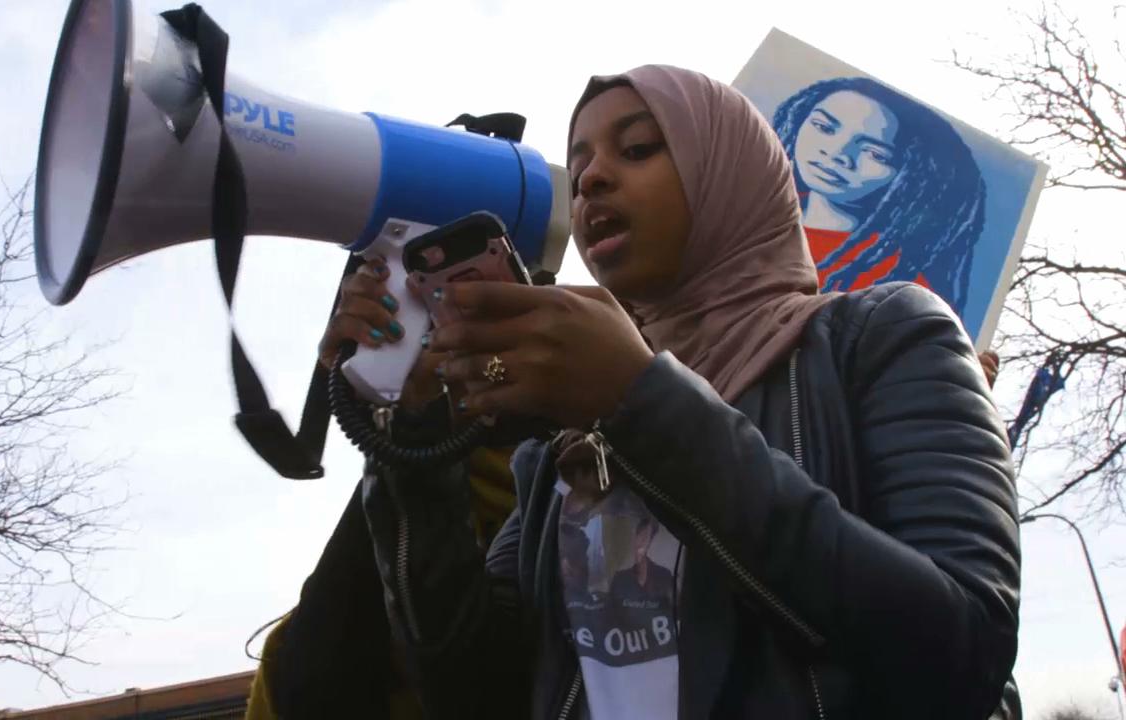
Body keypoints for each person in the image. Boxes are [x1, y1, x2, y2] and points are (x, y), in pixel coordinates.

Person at [316, 65, 1020, 719]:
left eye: (639, 148)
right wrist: (410, 436)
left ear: (728, 174)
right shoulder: (551, 453)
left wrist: (640, 398)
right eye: (582, 161)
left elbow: (963, 650)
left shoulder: (883, 336)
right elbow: (472, 693)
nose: (590, 180)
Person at [772, 76, 987, 314]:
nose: (837, 153)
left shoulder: (897, 288)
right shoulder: (753, 208)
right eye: (824, 127)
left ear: (909, 176)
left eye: (874, 153)